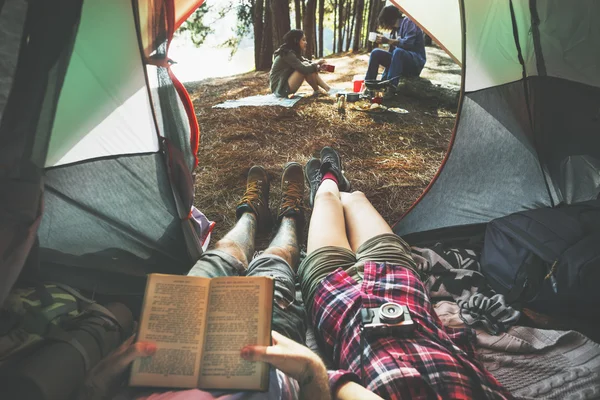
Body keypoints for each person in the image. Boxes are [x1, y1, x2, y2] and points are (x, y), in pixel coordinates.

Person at [79, 163, 332, 400]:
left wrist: (101, 377)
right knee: (276, 258)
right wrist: (312, 370)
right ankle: (291, 216)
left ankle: (252, 213)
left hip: (159, 373)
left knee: (225, 252)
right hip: (264, 368)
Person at [296, 147, 514, 399]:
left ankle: (326, 183)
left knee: (325, 201)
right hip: (399, 284)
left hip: (336, 299)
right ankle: (335, 180)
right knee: (356, 197)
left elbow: (324, 383)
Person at [365, 6, 426, 94]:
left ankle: (390, 89)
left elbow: (408, 44)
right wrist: (383, 79)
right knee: (375, 53)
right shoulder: (394, 31)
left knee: (398, 52)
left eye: (383, 22)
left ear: (390, 19)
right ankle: (370, 86)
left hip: (414, 64)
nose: (384, 25)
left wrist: (388, 41)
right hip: (400, 64)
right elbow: (392, 58)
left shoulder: (409, 22)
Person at [270, 29, 333, 98]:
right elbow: (304, 69)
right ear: (296, 41)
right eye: (303, 40)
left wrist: (318, 64)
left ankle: (320, 90)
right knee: (305, 66)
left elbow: (307, 62)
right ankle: (327, 89)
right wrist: (317, 66)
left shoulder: (292, 52)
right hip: (280, 89)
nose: (306, 42)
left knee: (307, 64)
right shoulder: (287, 53)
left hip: (285, 85)